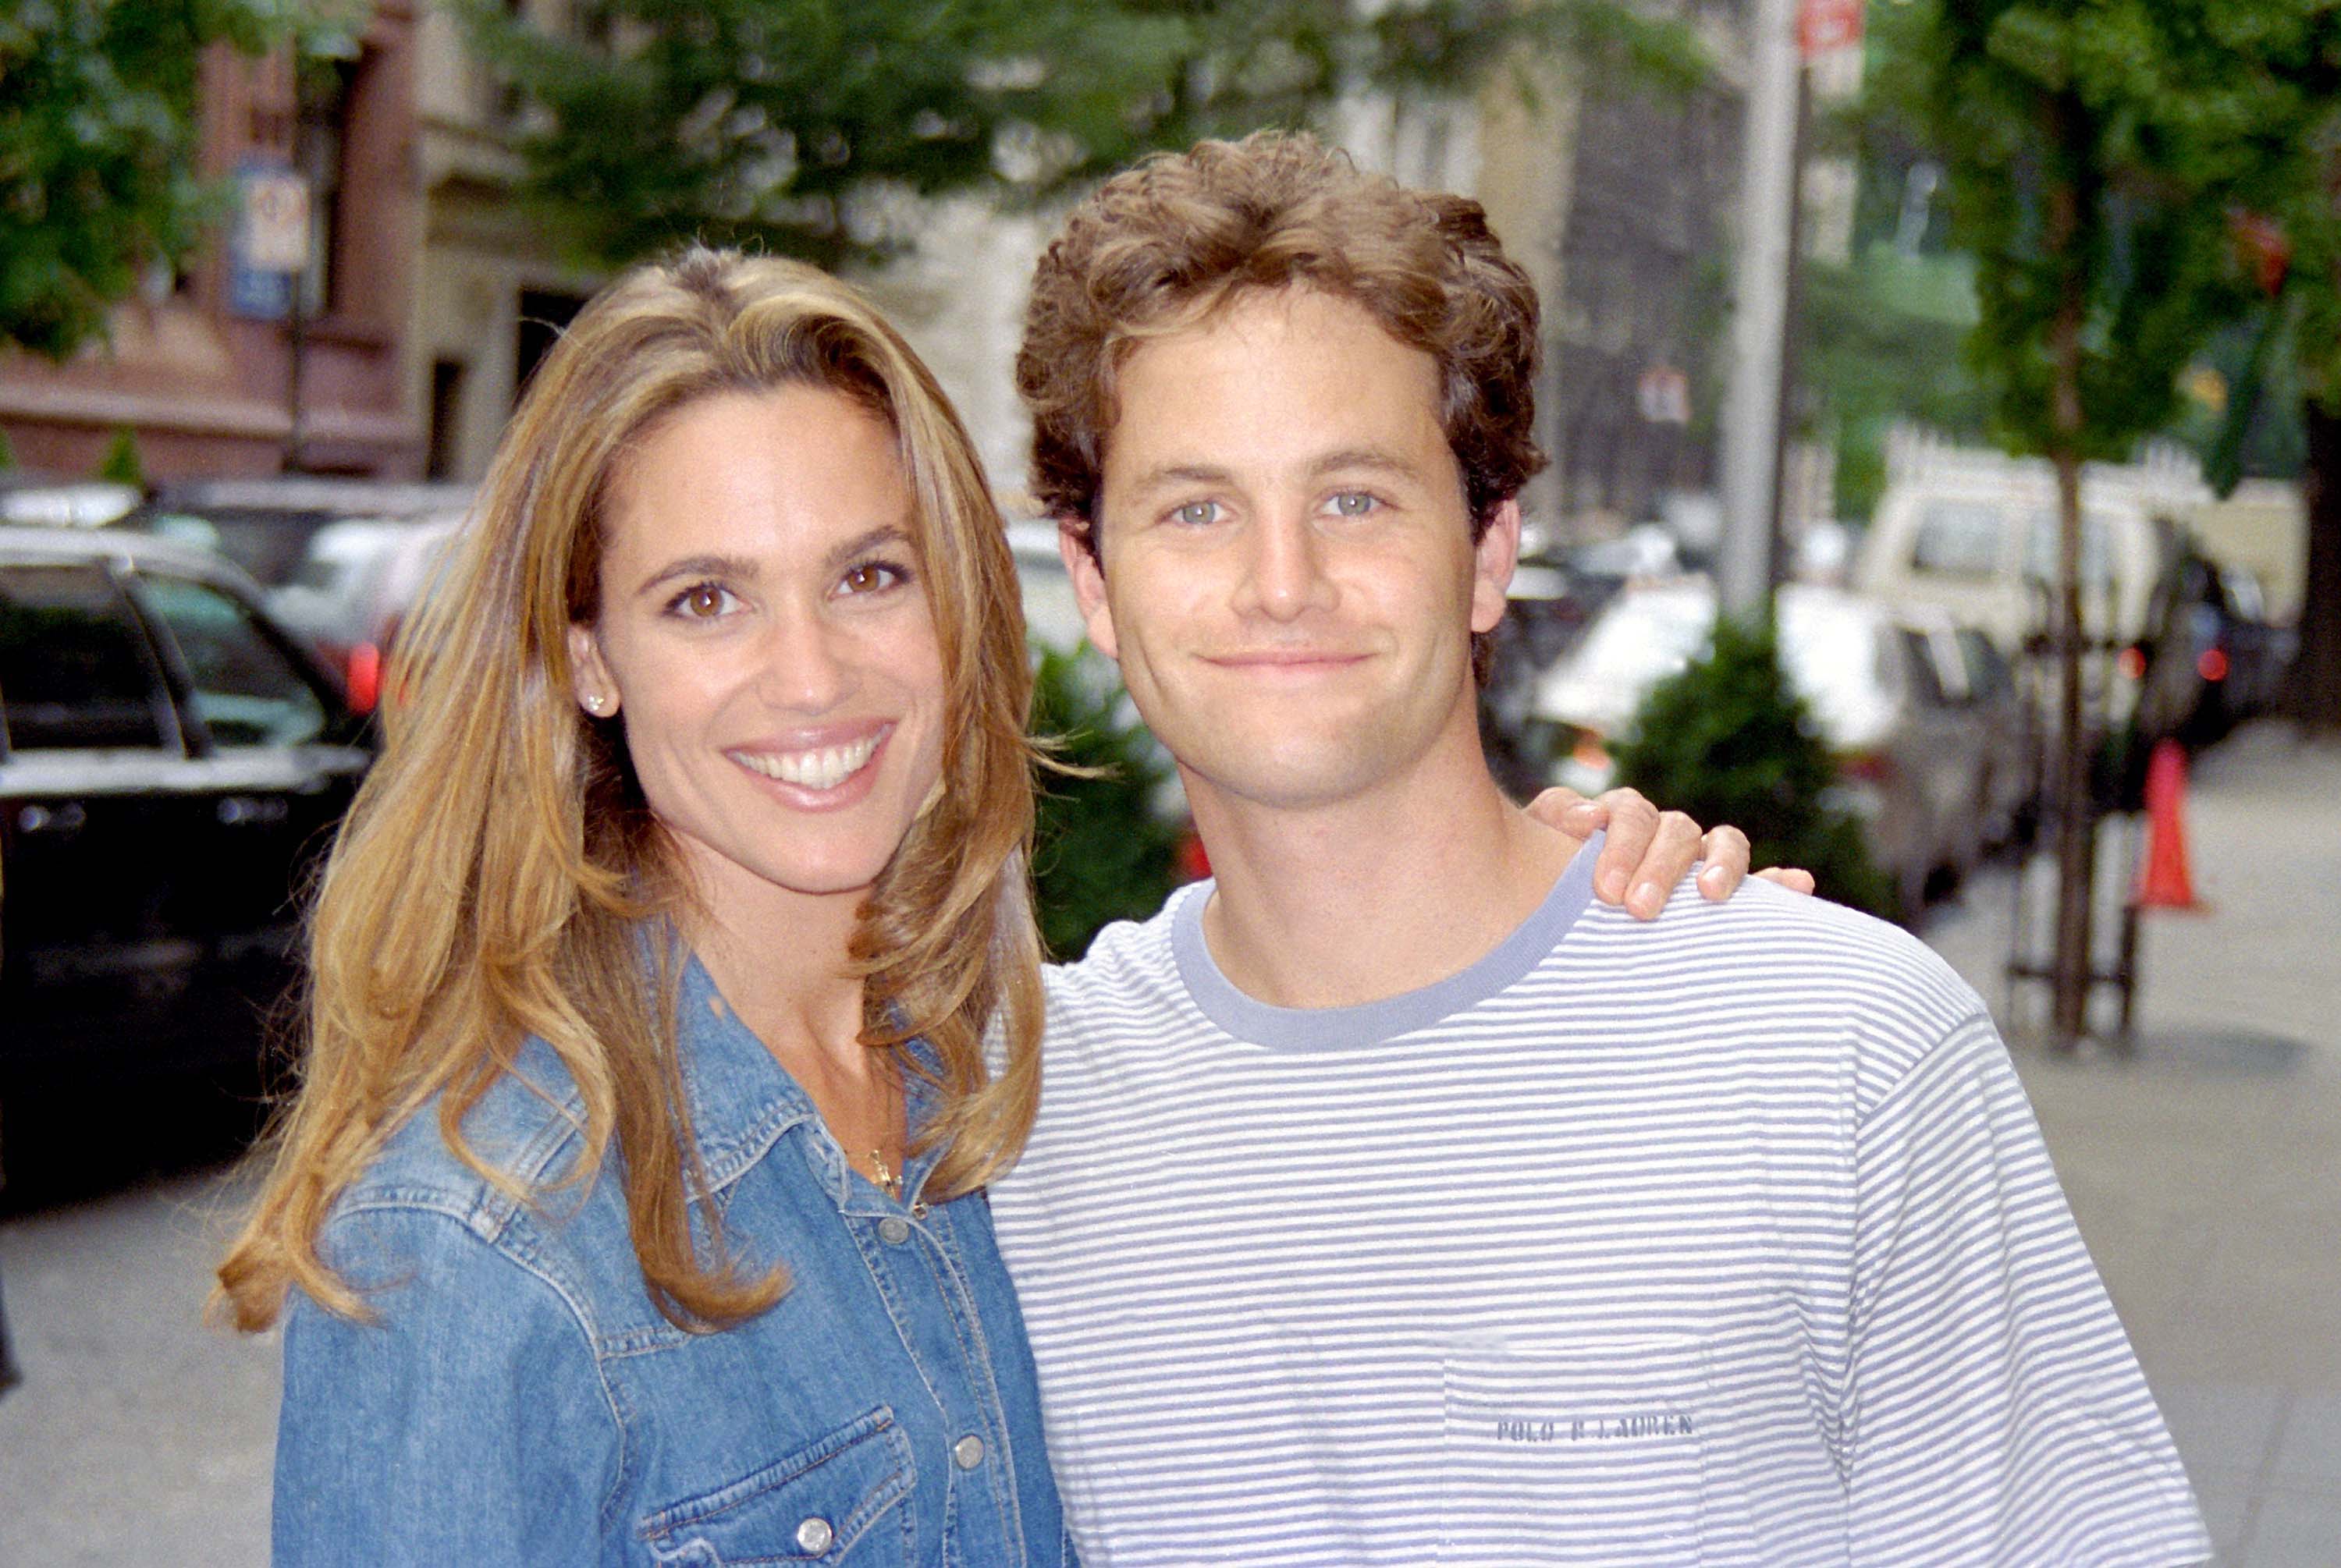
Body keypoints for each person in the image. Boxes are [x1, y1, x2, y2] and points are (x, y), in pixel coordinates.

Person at [216, 248, 1762, 1563]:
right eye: (708, 600)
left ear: (957, 599)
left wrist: (1592, 909)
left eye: (870, 576)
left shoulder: (1030, 1086)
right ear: (591, 661)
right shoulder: (480, 1241)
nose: (810, 674)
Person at [993, 131, 2212, 1566]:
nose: (1282, 581)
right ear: (1091, 578)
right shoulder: (1016, 1127)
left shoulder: (1833, 1043)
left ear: (1492, 545)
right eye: (1198, 507)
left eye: (1355, 497)